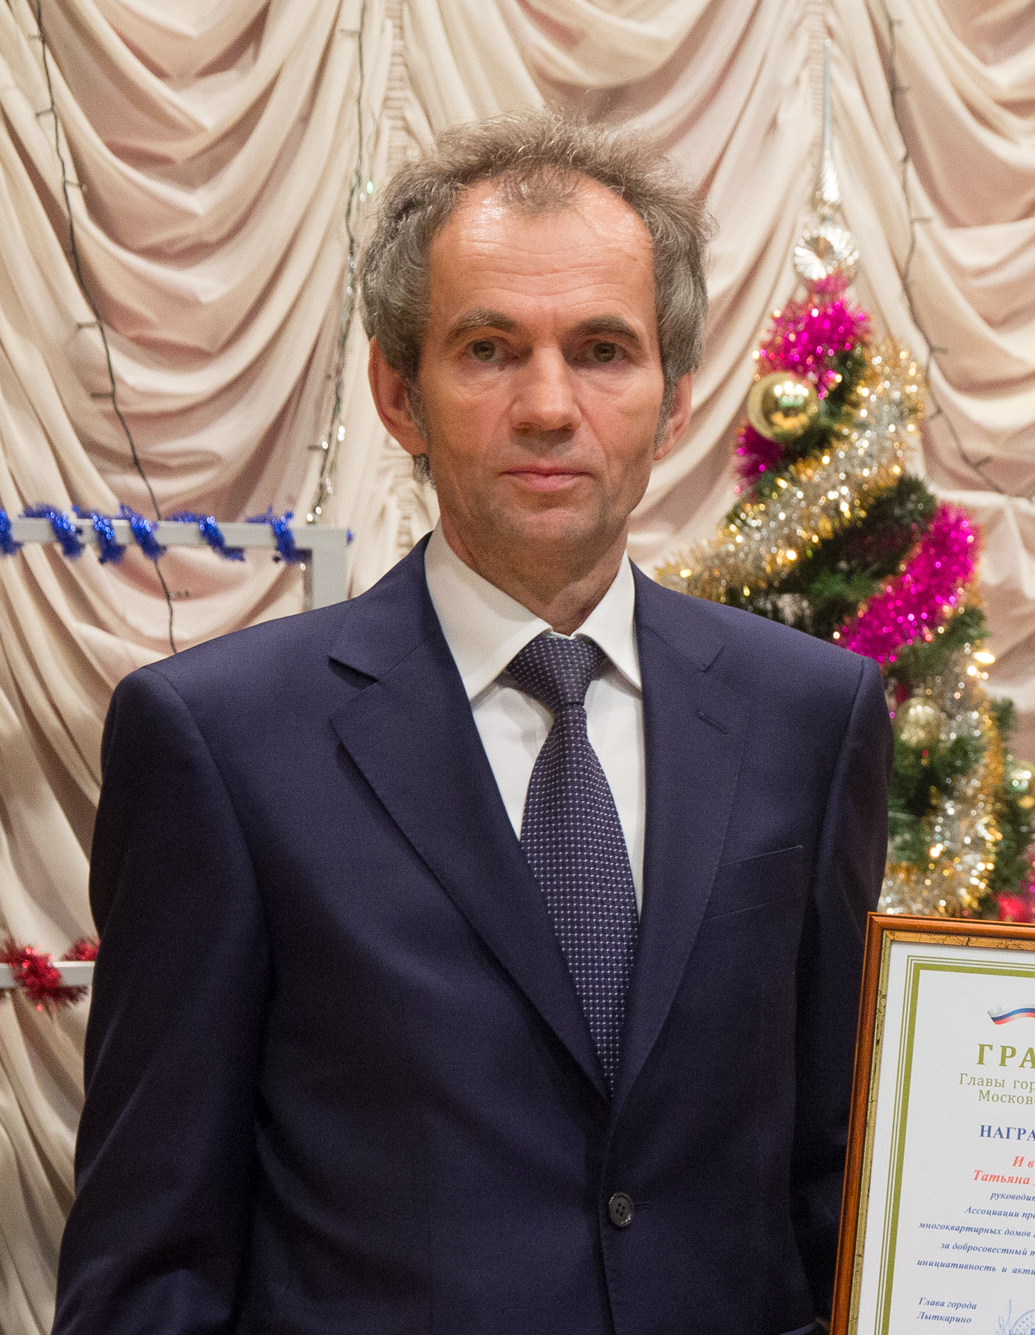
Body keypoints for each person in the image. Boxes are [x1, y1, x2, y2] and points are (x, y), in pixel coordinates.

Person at [55, 112, 891, 1335]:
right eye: (490, 350)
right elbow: (152, 1256)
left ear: (674, 400)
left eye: (603, 351)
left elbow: (835, 1179)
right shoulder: (219, 743)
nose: (549, 406)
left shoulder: (813, 718)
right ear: (399, 395)